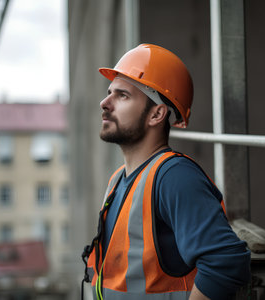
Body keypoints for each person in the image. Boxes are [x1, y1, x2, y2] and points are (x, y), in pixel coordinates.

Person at [82, 44, 250, 300]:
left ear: (157, 114)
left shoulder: (175, 176)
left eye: (122, 95)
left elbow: (225, 262)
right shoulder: (118, 180)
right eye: (109, 93)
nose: (105, 103)